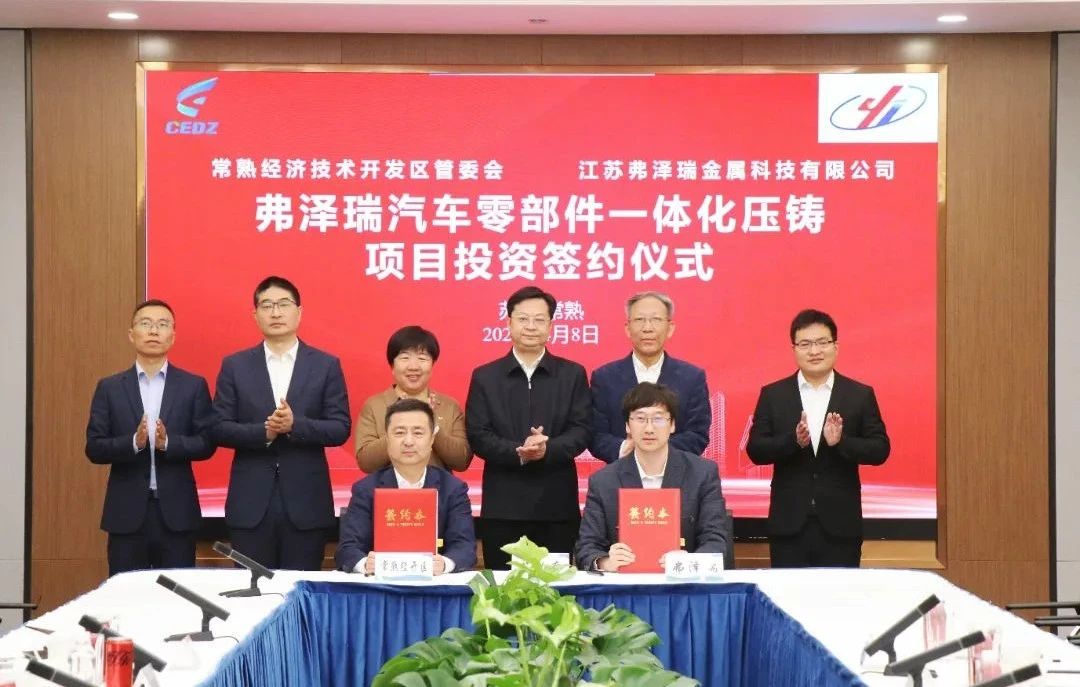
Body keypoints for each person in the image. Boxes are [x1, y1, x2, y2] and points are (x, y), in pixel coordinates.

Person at [211, 276, 351, 570]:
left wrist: (295, 425)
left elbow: (340, 427)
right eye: (267, 305)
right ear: (255, 315)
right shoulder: (235, 366)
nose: (275, 312)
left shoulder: (325, 365)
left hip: (307, 504)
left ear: (299, 312)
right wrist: (265, 432)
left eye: (283, 304)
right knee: (251, 591)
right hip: (250, 504)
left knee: (300, 590)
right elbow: (219, 427)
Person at [746, 309, 890, 568]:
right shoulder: (773, 394)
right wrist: (793, 441)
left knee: (839, 594)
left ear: (836, 346)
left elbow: (880, 449)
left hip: (841, 525)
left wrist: (841, 442)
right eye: (805, 344)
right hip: (789, 525)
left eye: (822, 342)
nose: (814, 351)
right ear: (794, 349)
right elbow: (755, 450)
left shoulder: (859, 394)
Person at [466, 285, 591, 570]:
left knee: (555, 590)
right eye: (523, 319)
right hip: (503, 509)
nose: (531, 327)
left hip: (557, 508)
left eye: (539, 320)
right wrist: (518, 452)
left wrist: (548, 449)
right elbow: (478, 434)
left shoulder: (572, 374)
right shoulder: (486, 376)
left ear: (550, 325)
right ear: (509, 323)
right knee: (502, 591)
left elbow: (582, 430)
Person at [85, 299, 215, 575]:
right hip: (126, 514)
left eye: (162, 324)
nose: (154, 330)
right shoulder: (109, 388)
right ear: (131, 334)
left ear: (173, 335)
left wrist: (169, 443)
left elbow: (207, 443)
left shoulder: (193, 386)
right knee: (126, 595)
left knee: (176, 595)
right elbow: (94, 447)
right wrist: (135, 442)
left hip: (177, 514)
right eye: (146, 324)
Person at [576, 382, 729, 572]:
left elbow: (716, 541)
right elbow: (586, 548)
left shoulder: (702, 474)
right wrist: (605, 562)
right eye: (640, 418)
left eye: (658, 419)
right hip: (626, 585)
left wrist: (689, 562)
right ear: (627, 425)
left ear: (672, 425)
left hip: (683, 584)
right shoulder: (603, 481)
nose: (649, 429)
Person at [336, 398, 476, 574]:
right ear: (387, 439)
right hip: (381, 585)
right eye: (400, 432)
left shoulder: (453, 489)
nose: (408, 441)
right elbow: (347, 549)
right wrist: (365, 564)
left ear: (432, 439)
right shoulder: (365, 489)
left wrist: (444, 563)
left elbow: (465, 547)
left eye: (418, 433)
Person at [589, 291, 710, 463]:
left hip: (676, 474)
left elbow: (697, 434)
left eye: (656, 319)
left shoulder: (692, 378)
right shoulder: (604, 378)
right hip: (621, 473)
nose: (647, 328)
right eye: (639, 319)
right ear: (627, 328)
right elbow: (595, 435)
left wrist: (653, 451)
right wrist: (626, 449)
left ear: (670, 328)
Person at [355, 326, 470, 473]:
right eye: (405, 358)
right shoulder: (374, 405)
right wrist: (398, 428)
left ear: (432, 364)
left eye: (422, 358)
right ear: (392, 365)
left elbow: (462, 461)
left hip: (438, 487)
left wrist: (432, 426)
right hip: (389, 487)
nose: (413, 367)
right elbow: (365, 462)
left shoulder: (449, 406)